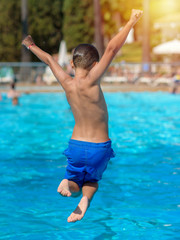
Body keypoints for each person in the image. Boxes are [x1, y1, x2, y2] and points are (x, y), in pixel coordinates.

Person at [22, 9, 143, 223]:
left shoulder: (67, 83)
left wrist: (30, 45)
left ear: (71, 64)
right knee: (93, 181)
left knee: (76, 183)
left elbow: (49, 60)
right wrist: (132, 20)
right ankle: (84, 200)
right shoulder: (93, 80)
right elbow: (112, 48)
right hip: (99, 146)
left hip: (76, 146)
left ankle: (70, 185)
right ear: (95, 65)